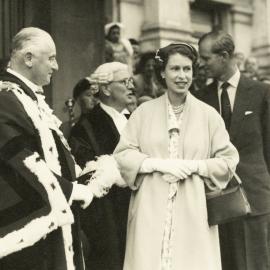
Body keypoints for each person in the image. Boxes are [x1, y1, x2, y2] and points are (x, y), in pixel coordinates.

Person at [113, 43, 239, 270]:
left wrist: (196, 166)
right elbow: (122, 155)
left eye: (187, 69)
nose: (182, 76)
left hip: (193, 209)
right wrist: (153, 163)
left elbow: (228, 160)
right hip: (149, 208)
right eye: (175, 69)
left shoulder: (209, 115)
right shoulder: (143, 113)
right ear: (163, 72)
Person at [0, 27, 98, 270]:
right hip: (30, 232)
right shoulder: (6, 99)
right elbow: (19, 160)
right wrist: (69, 191)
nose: (56, 67)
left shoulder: (27, 98)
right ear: (29, 58)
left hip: (56, 219)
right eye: (52, 58)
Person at [198, 30, 270, 270]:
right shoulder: (200, 98)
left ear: (224, 56)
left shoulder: (261, 92)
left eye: (206, 58)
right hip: (216, 202)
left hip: (255, 198)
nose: (201, 64)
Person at [69, 62, 134, 270]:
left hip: (140, 209)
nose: (131, 86)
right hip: (110, 219)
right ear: (106, 89)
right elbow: (88, 174)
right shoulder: (85, 127)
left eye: (131, 81)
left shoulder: (135, 119)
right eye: (125, 82)